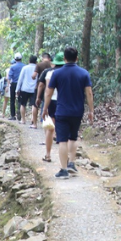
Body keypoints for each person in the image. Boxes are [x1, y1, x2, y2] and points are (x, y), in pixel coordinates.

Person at [44, 46, 94, 179]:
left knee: (62, 140)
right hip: (77, 111)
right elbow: (89, 93)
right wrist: (91, 110)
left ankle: (64, 169)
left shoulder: (57, 73)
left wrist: (45, 109)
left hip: (62, 111)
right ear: (77, 58)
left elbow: (49, 93)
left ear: (64, 58)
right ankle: (72, 163)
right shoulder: (84, 73)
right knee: (73, 137)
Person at [37, 53, 60, 162]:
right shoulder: (69, 73)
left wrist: (44, 105)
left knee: (50, 127)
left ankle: (48, 154)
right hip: (63, 102)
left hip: (51, 101)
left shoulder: (49, 73)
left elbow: (47, 90)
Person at [17, 55, 39, 127]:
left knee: (23, 104)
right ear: (36, 61)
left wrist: (17, 89)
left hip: (24, 89)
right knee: (34, 105)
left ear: (29, 61)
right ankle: (33, 120)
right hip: (34, 89)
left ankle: (23, 120)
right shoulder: (37, 68)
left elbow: (20, 79)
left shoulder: (25, 68)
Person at [6, 53, 24, 121]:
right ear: (21, 58)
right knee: (20, 99)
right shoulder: (24, 66)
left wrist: (7, 86)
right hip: (22, 85)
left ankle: (13, 115)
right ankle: (20, 113)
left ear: (15, 59)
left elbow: (9, 77)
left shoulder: (12, 67)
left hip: (13, 84)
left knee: (12, 100)